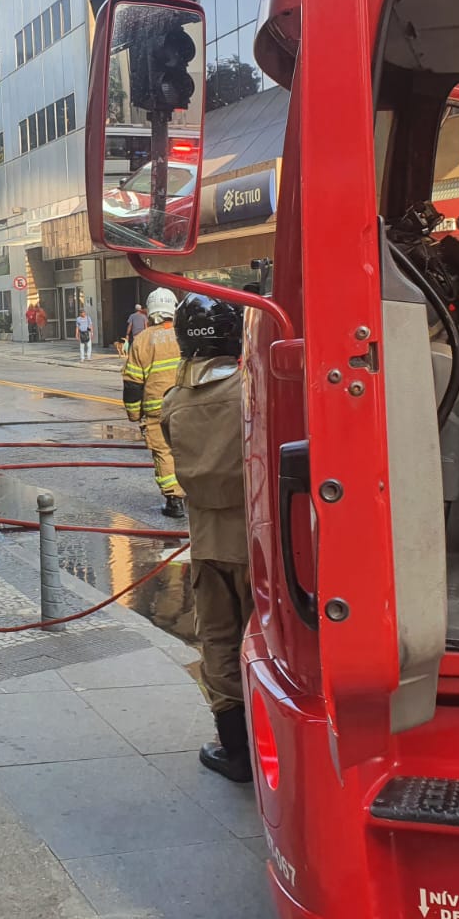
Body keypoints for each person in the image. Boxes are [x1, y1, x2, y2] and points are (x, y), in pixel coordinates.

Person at [161, 293, 250, 782]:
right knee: (268, 643)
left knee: (218, 641)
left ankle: (234, 749)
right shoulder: (253, 388)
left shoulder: (176, 402)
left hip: (209, 545)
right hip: (261, 545)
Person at [124, 287, 186, 518]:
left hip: (157, 411)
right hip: (189, 406)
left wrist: (133, 414)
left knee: (164, 453)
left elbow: (133, 383)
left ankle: (174, 501)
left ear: (151, 312)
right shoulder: (184, 333)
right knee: (192, 449)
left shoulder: (142, 340)